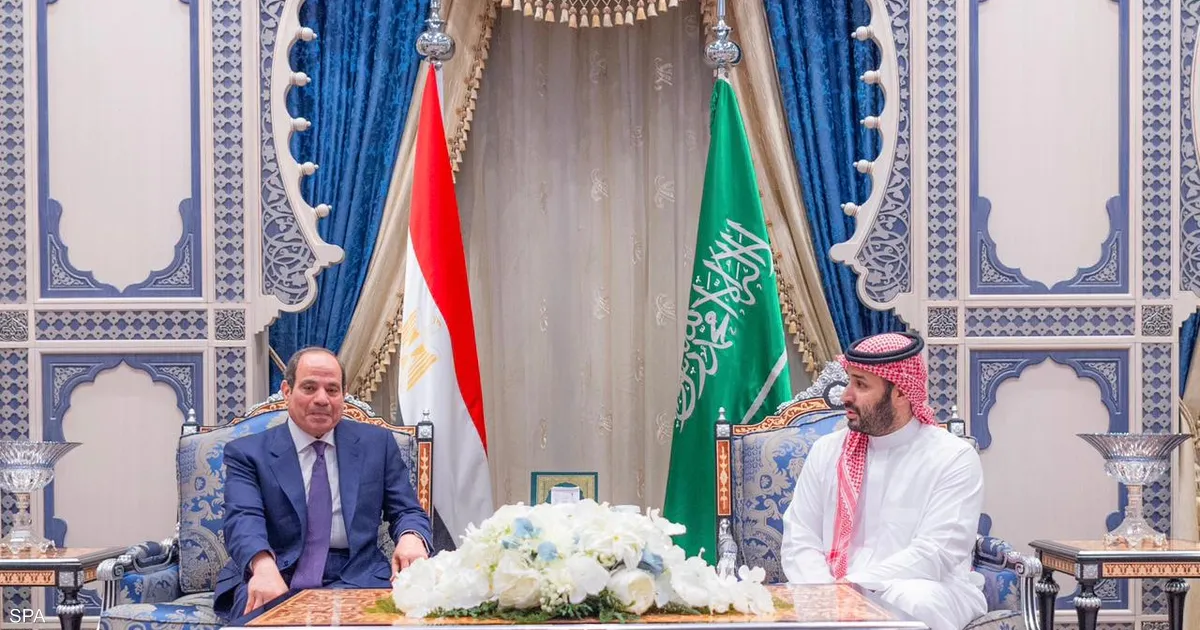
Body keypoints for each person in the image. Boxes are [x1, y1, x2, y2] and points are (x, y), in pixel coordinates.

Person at [780, 332, 986, 630]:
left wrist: (852, 588)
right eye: (849, 381)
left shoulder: (952, 457)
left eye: (861, 385)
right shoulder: (827, 450)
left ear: (900, 392)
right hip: (830, 589)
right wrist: (825, 593)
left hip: (926, 587)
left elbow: (936, 553)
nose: (846, 396)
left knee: (913, 600)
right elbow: (801, 537)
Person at [214, 347, 433, 623]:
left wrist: (411, 536)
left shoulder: (377, 444)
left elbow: (406, 510)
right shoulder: (248, 453)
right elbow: (243, 518)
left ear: (344, 395)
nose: (322, 399)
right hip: (277, 569)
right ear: (286, 391)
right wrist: (262, 565)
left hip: (358, 573)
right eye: (309, 388)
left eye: (332, 390)